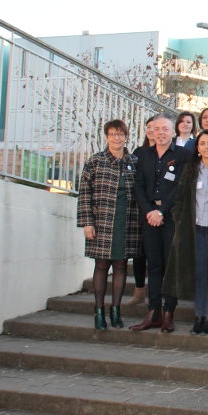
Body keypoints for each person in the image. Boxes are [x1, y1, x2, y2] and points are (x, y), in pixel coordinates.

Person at [162, 129, 208, 335]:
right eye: (202, 143)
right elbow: (179, 198)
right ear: (197, 148)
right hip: (193, 231)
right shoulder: (190, 169)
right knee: (198, 274)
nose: (206, 147)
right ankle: (198, 315)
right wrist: (179, 219)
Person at [77, 119, 140, 330]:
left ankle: (116, 310)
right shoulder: (95, 161)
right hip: (102, 221)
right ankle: (99, 311)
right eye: (113, 134)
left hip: (127, 221)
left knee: (121, 265)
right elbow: (84, 194)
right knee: (102, 265)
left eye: (120, 134)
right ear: (106, 137)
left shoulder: (134, 162)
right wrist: (87, 223)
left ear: (126, 137)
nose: (117, 138)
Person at [131, 114, 188, 332]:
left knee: (170, 265)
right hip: (149, 218)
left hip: (171, 216)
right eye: (157, 129)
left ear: (174, 132)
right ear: (151, 132)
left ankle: (168, 313)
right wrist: (149, 212)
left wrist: (161, 211)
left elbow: (180, 187)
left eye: (166, 129)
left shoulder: (183, 155)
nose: (161, 133)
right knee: (153, 265)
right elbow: (139, 185)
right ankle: (153, 312)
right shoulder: (142, 154)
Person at [128, 117, 156, 307]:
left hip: (161, 211)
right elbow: (136, 182)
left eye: (157, 128)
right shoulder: (139, 152)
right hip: (142, 210)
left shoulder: (170, 154)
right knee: (139, 253)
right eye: (149, 128)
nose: (153, 131)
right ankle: (139, 290)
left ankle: (157, 294)